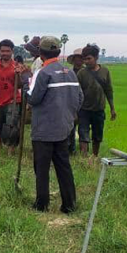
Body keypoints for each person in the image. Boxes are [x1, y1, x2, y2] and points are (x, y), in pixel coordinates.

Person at [28, 36, 83, 213]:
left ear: (41, 54)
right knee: (63, 167)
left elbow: (35, 99)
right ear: (58, 52)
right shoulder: (70, 73)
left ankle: (42, 204)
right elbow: (79, 98)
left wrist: (25, 92)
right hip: (64, 129)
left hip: (43, 129)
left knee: (42, 168)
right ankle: (69, 204)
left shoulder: (43, 73)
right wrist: (67, 115)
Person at [0, 39, 27, 148]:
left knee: (12, 125)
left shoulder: (17, 66)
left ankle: (11, 149)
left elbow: (21, 85)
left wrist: (18, 75)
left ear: (12, 51)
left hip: (13, 101)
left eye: (7, 51)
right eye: (3, 51)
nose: (5, 53)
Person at [76, 44, 116, 157]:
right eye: (84, 59)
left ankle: (94, 157)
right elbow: (77, 93)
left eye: (89, 58)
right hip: (84, 109)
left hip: (99, 109)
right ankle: (84, 157)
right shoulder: (81, 73)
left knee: (97, 136)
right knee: (83, 133)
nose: (86, 61)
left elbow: (109, 90)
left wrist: (112, 108)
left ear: (96, 57)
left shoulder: (105, 71)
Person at [65, 47, 84, 155]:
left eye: (81, 58)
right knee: (70, 127)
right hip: (70, 104)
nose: (79, 60)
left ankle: (81, 150)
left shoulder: (87, 72)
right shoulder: (68, 72)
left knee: (83, 128)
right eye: (77, 58)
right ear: (74, 59)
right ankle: (70, 149)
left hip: (84, 104)